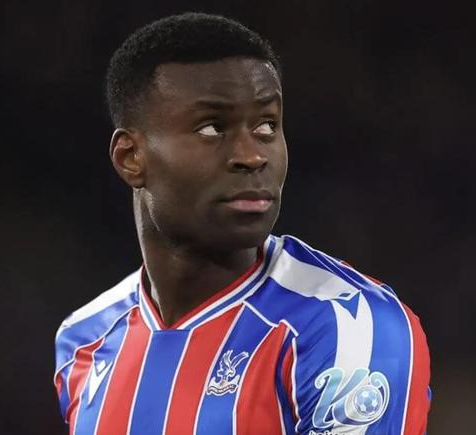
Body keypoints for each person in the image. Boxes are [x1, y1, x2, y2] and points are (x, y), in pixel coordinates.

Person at [53, 12, 430, 435]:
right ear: (130, 158)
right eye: (212, 128)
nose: (252, 156)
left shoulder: (348, 326)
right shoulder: (85, 340)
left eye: (267, 125)